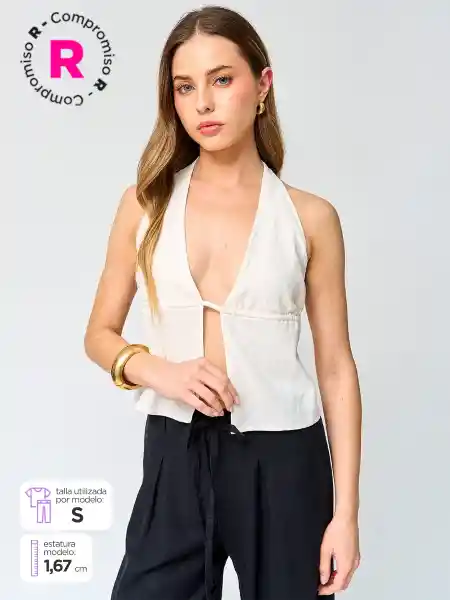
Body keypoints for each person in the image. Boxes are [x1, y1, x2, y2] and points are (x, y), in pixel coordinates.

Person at [84, 5, 362, 599]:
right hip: (174, 451)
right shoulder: (145, 204)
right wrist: (161, 372)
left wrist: (345, 515)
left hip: (284, 459)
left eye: (222, 79)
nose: (203, 104)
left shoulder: (311, 217)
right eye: (185, 87)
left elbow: (336, 367)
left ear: (262, 86)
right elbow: (99, 335)